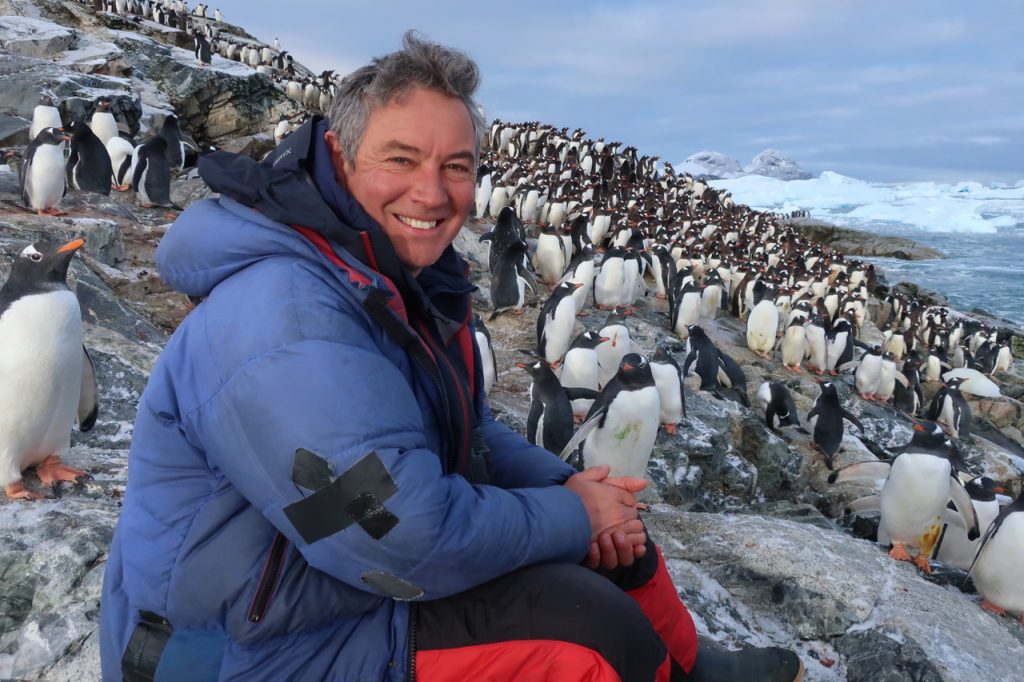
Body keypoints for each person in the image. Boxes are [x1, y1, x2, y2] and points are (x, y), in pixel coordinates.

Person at [100, 32, 803, 681]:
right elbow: (393, 535)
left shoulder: (379, 276)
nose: (432, 193)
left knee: (613, 548)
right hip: (235, 649)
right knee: (586, 637)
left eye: (456, 167)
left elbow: (463, 428)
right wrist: (573, 517)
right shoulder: (283, 321)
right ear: (341, 159)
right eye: (400, 159)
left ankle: (688, 666)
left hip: (321, 593)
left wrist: (577, 495)